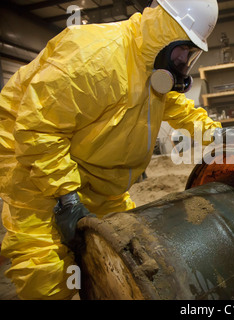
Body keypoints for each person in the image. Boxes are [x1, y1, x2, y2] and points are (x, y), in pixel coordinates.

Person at [0, 0, 222, 300]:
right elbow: (37, 128)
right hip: (35, 169)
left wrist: (224, 140)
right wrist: (66, 198)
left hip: (100, 179)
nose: (184, 61)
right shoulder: (95, 58)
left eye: (190, 54)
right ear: (164, 30)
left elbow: (179, 109)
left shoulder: (152, 65)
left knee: (121, 259)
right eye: (183, 49)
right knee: (47, 275)